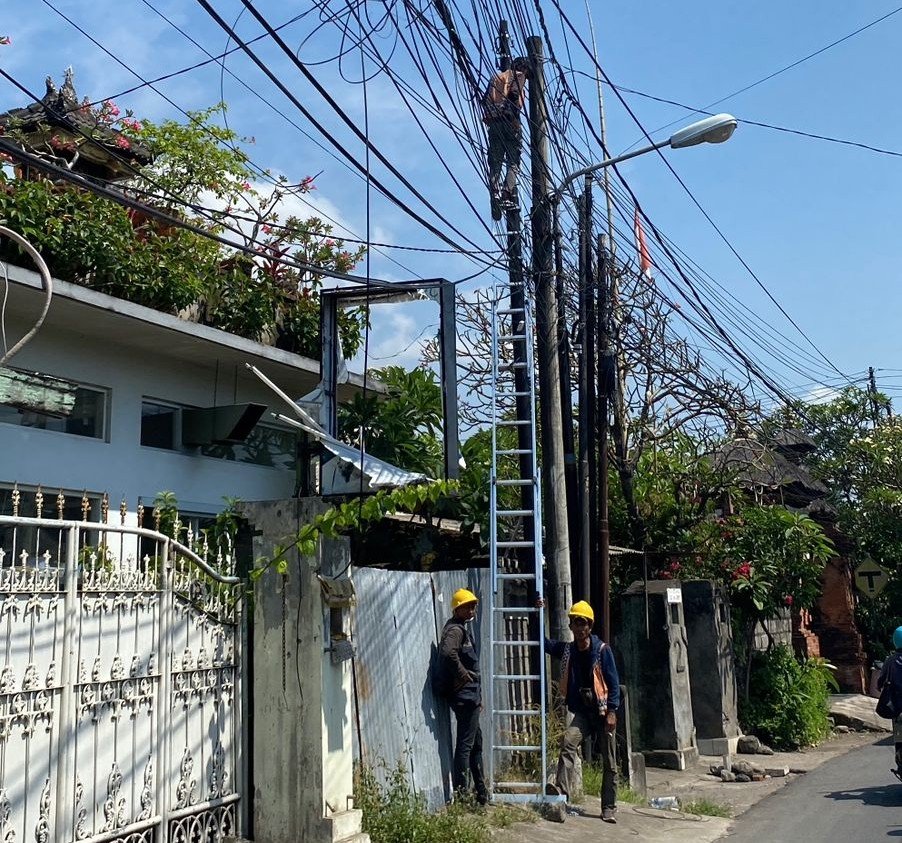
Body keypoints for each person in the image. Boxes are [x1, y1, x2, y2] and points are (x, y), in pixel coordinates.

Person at [544, 600, 621, 823]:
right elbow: (545, 644)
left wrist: (613, 712)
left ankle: (608, 807)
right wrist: (538, 610)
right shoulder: (568, 650)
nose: (578, 628)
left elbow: (614, 683)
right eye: (574, 623)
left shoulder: (602, 651)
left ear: (589, 626)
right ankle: (560, 795)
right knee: (568, 742)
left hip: (603, 712)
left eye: (582, 623)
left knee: (609, 761)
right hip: (584, 714)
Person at [436, 587, 488, 805]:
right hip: (465, 698)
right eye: (468, 606)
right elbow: (448, 653)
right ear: (458, 609)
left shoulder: (461, 628)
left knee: (476, 744)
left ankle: (481, 793)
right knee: (466, 746)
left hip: (471, 697)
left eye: (473, 606)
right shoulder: (456, 630)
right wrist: (463, 675)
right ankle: (463, 795)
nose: (472, 609)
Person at [482, 57, 529, 221]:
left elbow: (484, 99)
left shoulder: (496, 77)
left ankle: (494, 191)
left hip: (493, 122)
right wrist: (514, 117)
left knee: (495, 161)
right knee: (513, 161)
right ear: (523, 68)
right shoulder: (518, 75)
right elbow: (515, 93)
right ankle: (506, 192)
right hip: (509, 121)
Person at [877, 625, 902, 779]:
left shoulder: (890, 661)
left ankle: (900, 761)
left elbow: (879, 683)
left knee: (899, 737)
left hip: (897, 707)